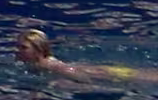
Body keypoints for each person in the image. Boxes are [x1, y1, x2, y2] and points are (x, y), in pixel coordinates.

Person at [16, 29, 158, 84]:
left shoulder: (48, 65)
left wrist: (91, 86)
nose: (18, 51)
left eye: (24, 48)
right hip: (104, 71)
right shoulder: (41, 64)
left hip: (106, 73)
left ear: (38, 50)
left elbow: (77, 75)